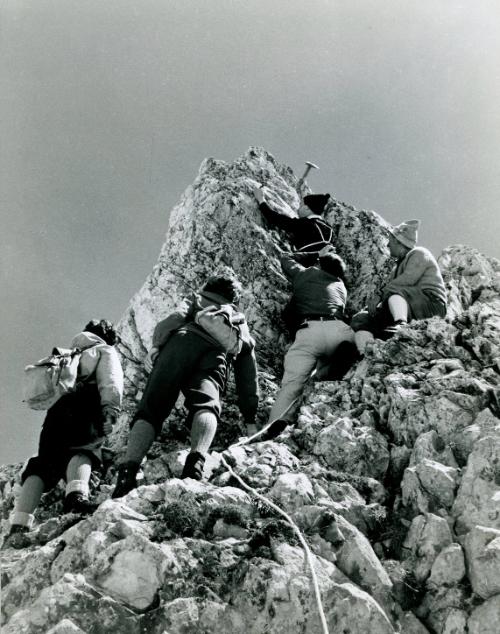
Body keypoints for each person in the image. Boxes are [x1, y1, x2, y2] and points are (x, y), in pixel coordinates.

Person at [112, 274, 259, 497]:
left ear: (208, 286)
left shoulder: (196, 298)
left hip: (181, 341)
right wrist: (249, 415)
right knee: (206, 406)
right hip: (216, 353)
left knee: (151, 409)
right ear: (234, 298)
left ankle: (127, 474)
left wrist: (156, 346)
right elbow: (247, 361)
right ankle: (195, 467)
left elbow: (173, 319)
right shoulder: (236, 316)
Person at [7, 320, 123, 543]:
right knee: (84, 450)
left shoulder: (68, 354)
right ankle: (76, 498)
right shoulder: (103, 350)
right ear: (108, 338)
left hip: (56, 412)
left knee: (43, 464)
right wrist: (110, 412)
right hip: (86, 405)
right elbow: (111, 381)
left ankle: (18, 525)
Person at [257, 246, 355, 441]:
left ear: (319, 264)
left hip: (309, 331)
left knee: (292, 384)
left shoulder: (308, 273)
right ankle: (327, 374)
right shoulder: (341, 287)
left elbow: (286, 258)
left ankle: (275, 425)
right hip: (339, 330)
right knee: (337, 359)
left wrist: (317, 253)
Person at [351, 220, 447, 354]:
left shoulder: (419, 253)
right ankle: (366, 353)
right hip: (409, 306)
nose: (388, 244)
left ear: (399, 242)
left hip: (431, 305)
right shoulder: (396, 268)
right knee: (361, 319)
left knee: (394, 292)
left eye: (391, 241)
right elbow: (393, 288)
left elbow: (407, 280)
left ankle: (401, 325)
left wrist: (379, 295)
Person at [253, 186, 333, 252]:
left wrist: (261, 199)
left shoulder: (306, 224)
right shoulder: (329, 229)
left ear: (307, 208)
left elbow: (275, 219)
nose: (298, 209)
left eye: (301, 205)